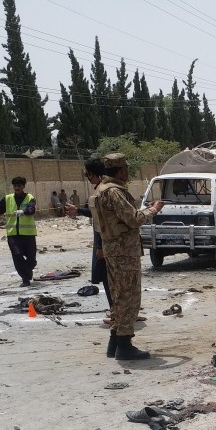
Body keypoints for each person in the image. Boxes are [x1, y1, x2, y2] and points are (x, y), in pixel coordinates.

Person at [94, 153, 164, 360]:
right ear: (121, 170)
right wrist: (154, 209)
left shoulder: (102, 189)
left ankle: (115, 343)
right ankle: (124, 345)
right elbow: (134, 219)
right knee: (128, 297)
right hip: (123, 251)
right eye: (125, 168)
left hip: (113, 250)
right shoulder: (114, 192)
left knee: (118, 296)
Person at [68, 157, 112, 312]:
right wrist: (78, 210)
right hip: (109, 242)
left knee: (109, 278)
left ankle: (118, 313)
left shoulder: (102, 192)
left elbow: (101, 221)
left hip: (107, 243)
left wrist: (100, 246)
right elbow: (97, 214)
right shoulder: (106, 189)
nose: (88, 178)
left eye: (88, 175)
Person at [0, 176, 37, 287]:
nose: (17, 188)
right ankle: (25, 279)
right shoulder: (8, 199)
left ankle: (29, 268)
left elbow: (31, 210)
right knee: (17, 256)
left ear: (23, 186)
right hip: (13, 235)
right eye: (15, 186)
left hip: (28, 235)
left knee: (31, 259)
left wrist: (24, 211)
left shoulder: (30, 198)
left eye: (19, 186)